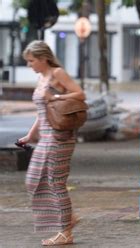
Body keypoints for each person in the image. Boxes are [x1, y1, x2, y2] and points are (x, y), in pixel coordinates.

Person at [18, 40, 85, 246]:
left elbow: (80, 94)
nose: (30, 65)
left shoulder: (57, 74)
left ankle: (65, 232)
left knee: (56, 183)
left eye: (31, 61)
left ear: (43, 58)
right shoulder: (41, 77)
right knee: (33, 180)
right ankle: (69, 217)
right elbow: (43, 112)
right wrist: (30, 135)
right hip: (46, 137)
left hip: (60, 137)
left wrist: (53, 95)